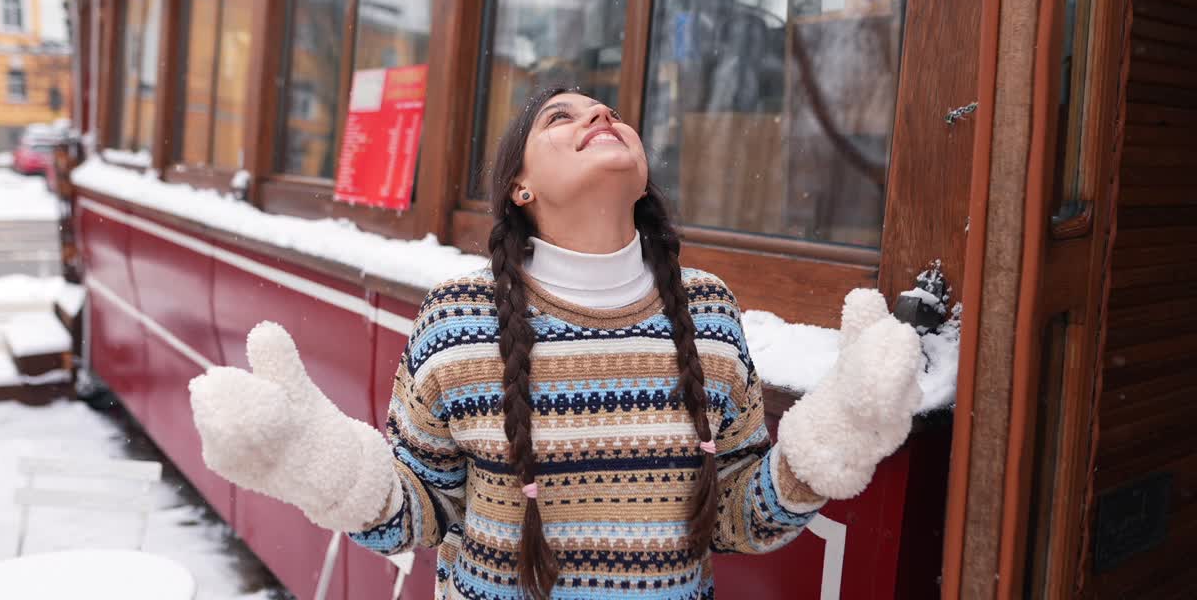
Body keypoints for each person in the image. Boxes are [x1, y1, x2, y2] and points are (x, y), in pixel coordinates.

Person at [189, 87, 924, 600]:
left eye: (605, 110)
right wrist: (321, 468)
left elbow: (732, 518)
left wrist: (830, 445)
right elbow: (422, 510)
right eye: (560, 117)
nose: (600, 114)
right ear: (520, 187)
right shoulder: (458, 320)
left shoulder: (708, 313)